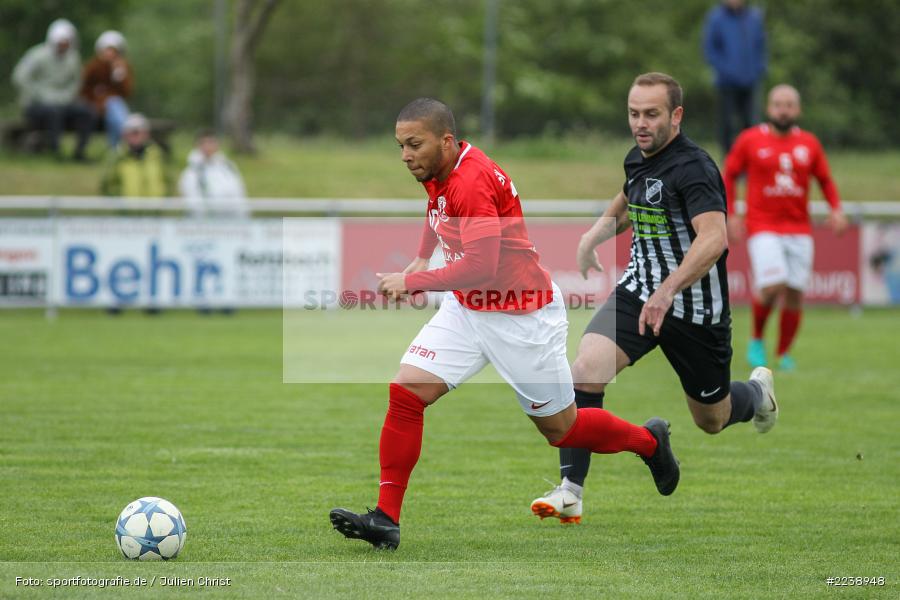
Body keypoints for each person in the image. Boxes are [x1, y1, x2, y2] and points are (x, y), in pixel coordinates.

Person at [329, 98, 681, 550]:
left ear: (446, 141)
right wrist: (422, 255)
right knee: (406, 393)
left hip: (522, 318)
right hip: (468, 310)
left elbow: (481, 265)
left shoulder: (472, 181)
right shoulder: (441, 167)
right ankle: (385, 519)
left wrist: (413, 281)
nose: (405, 155)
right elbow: (438, 209)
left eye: (413, 144)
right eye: (401, 146)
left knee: (563, 430)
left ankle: (649, 442)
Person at [529, 73, 779, 525]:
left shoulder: (695, 168)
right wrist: (593, 236)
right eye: (633, 113)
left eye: (651, 114)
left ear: (676, 115)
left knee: (712, 418)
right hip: (639, 291)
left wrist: (668, 292)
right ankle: (571, 492)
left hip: (695, 310)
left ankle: (757, 393)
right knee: (585, 371)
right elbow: (629, 198)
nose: (640, 123)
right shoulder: (638, 157)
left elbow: (714, 238)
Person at [723, 84, 848, 371]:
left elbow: (824, 179)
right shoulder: (750, 140)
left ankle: (783, 353)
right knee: (773, 284)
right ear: (769, 108)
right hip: (762, 225)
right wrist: (731, 214)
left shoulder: (809, 143)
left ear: (798, 110)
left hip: (799, 228)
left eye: (789, 105)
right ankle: (756, 339)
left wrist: (836, 209)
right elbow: (729, 175)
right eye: (778, 104)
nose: (783, 110)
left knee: (795, 292)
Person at [11, 18, 95, 160]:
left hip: (64, 102)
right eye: (61, 42)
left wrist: (67, 96)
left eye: (67, 43)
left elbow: (77, 81)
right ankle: (55, 152)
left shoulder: (73, 58)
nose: (64, 46)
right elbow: (19, 77)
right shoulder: (37, 55)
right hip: (36, 105)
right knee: (54, 112)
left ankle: (80, 152)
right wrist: (38, 94)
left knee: (87, 112)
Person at [703, 0, 767, 155]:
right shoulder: (716, 18)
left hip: (751, 80)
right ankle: (728, 158)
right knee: (727, 123)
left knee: (751, 122)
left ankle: (750, 157)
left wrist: (759, 69)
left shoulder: (754, 17)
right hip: (726, 82)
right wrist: (726, 70)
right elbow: (710, 49)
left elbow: (761, 45)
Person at [178, 130, 249, 219]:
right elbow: (192, 200)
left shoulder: (229, 167)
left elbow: (239, 192)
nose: (208, 146)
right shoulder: (191, 172)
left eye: (211, 142)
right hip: (203, 222)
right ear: (197, 145)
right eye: (204, 143)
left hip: (231, 220)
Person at [81, 30, 133, 149]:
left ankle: (116, 147)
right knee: (115, 108)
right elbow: (84, 88)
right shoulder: (94, 67)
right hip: (95, 107)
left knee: (114, 107)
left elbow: (127, 92)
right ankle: (123, 145)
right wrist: (97, 100)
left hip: (115, 105)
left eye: (113, 51)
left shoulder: (122, 66)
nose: (110, 54)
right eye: (107, 50)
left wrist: (119, 76)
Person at [100, 113, 172, 198]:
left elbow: (168, 182)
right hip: (127, 206)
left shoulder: (158, 156)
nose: (135, 136)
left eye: (138, 132)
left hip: (155, 206)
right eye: (132, 132)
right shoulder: (117, 157)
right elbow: (107, 186)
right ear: (124, 135)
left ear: (147, 134)